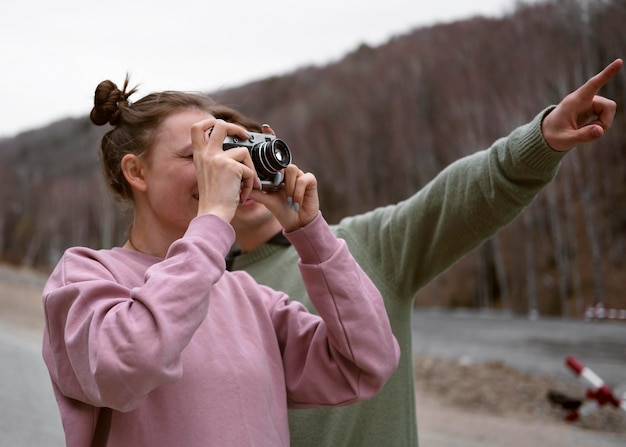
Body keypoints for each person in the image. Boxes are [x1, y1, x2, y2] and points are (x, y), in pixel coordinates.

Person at [216, 58, 624, 446]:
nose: (246, 172)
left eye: (252, 152)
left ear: (273, 148)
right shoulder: (205, 288)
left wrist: (541, 141)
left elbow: (458, 198)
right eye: (227, 162)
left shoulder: (365, 246)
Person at [41, 77, 400, 447]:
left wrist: (312, 234)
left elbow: (369, 362)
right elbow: (126, 364)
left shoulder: (249, 297)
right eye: (197, 154)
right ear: (136, 172)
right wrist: (211, 219)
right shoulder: (85, 276)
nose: (220, 168)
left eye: (224, 153)